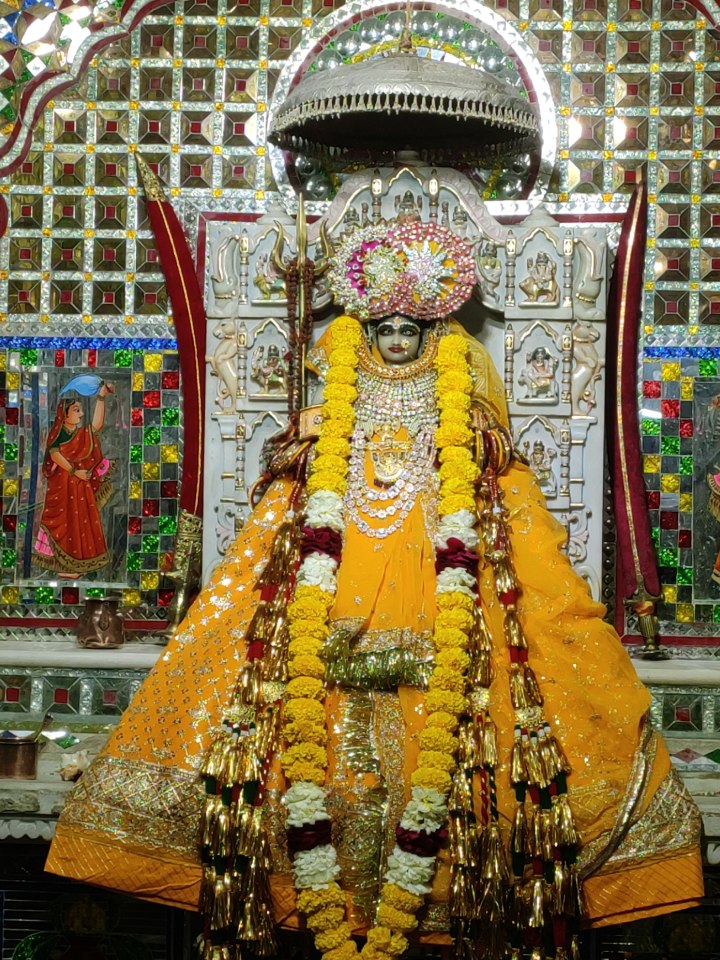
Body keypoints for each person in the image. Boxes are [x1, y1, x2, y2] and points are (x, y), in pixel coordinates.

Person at [46, 220, 702, 960]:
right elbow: (295, 472)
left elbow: (496, 459)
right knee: (263, 670)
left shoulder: (459, 391)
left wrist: (476, 449)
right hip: (336, 574)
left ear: (431, 331)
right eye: (383, 327)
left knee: (518, 671)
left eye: (408, 328)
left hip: (443, 572)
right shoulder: (339, 391)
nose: (394, 340)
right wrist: (302, 451)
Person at [33, 382, 114, 577]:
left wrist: (101, 397)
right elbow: (54, 455)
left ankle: (75, 567)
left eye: (80, 410)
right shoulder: (59, 433)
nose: (81, 414)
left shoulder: (80, 434)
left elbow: (97, 425)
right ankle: (64, 567)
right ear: (65, 414)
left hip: (79, 488)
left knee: (79, 523)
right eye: (77, 410)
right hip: (62, 488)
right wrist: (74, 471)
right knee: (63, 524)